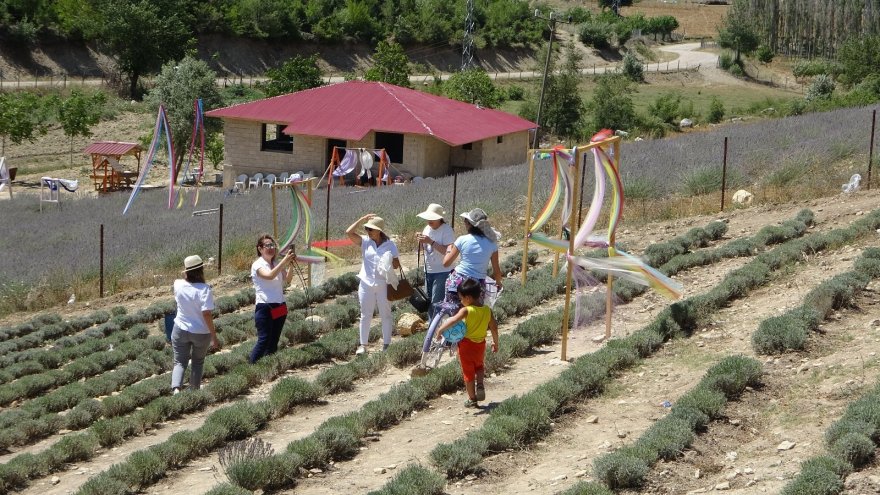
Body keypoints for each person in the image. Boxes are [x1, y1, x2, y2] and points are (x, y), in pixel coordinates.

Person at [435, 278, 498, 408]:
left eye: (461, 298)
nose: (461, 301)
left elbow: (453, 320)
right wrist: (495, 342)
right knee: (479, 366)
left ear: (468, 298)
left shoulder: (467, 310)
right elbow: (494, 327)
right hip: (480, 344)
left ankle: (472, 398)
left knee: (468, 373)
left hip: (466, 345)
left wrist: (441, 329)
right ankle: (480, 384)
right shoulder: (487, 310)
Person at [346, 213, 400, 355]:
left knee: (385, 314)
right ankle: (363, 345)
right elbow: (349, 232)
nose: (368, 232)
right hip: (366, 283)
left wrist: (389, 259)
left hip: (383, 284)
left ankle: (387, 345)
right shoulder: (365, 241)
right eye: (367, 229)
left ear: (379, 230)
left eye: (370, 229)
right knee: (365, 314)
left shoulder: (390, 245)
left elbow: (396, 265)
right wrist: (361, 219)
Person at [171, 255, 220, 393]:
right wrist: (213, 336)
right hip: (200, 332)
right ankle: (193, 392)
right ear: (201, 270)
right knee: (197, 362)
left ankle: (176, 390)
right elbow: (207, 314)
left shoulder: (178, 284)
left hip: (180, 329)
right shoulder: (205, 289)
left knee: (179, 361)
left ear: (187, 271)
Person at [250, 234, 296, 363]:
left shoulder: (275, 263)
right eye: (267, 246)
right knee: (264, 340)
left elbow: (288, 280)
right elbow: (269, 276)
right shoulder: (257, 265)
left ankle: (268, 365)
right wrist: (284, 261)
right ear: (260, 249)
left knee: (274, 340)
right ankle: (251, 367)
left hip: (280, 305)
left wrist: (290, 264)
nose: (271, 248)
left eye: (272, 245)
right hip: (265, 306)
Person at [443, 207, 503, 304]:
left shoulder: (462, 239)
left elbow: (446, 263)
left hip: (457, 280)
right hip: (476, 286)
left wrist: (449, 250)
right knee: (473, 315)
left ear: (469, 224)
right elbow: (497, 271)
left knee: (451, 311)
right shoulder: (492, 244)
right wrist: (498, 283)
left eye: (465, 221)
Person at [416, 203, 455, 320]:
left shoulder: (447, 230)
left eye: (432, 218)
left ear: (439, 218)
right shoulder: (426, 229)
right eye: (428, 218)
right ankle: (432, 330)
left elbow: (448, 252)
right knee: (429, 302)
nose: (429, 220)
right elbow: (427, 249)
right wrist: (421, 240)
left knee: (436, 302)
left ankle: (435, 331)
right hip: (429, 270)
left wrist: (431, 242)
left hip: (443, 271)